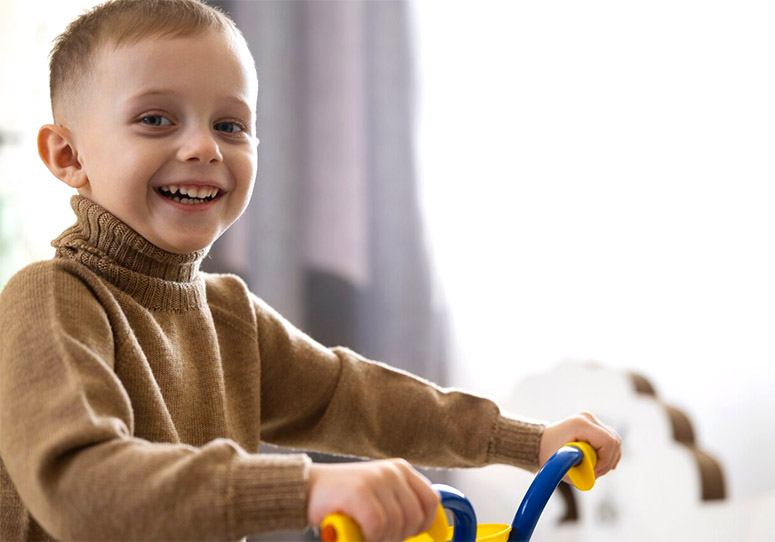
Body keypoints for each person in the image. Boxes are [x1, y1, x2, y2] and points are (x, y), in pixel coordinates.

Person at [0, 1, 622, 540]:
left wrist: (521, 438)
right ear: (68, 155)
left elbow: (356, 396)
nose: (204, 148)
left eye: (230, 125)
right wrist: (304, 487)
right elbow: (79, 485)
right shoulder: (51, 300)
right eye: (156, 119)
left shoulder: (229, 316)